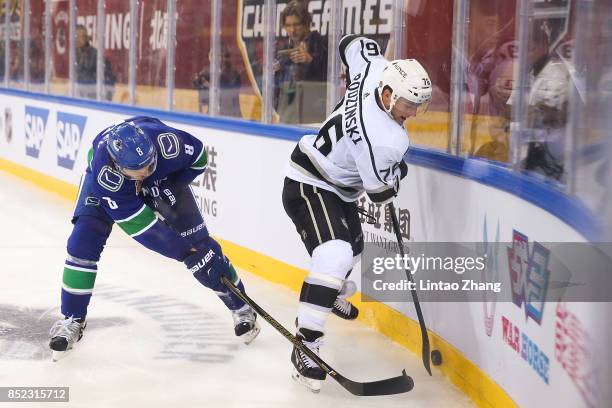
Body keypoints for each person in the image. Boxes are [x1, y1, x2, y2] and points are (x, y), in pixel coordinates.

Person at [282, 35, 432, 392]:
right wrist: (398, 173)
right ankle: (306, 346)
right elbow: (381, 193)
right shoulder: (384, 140)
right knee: (334, 255)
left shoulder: (374, 68)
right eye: (409, 105)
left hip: (335, 186)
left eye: (418, 105)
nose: (412, 113)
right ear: (388, 94)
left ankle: (326, 292)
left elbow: (351, 41)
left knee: (355, 251)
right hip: (309, 182)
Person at [48, 116, 260, 361]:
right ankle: (72, 318)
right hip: (108, 191)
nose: (144, 171)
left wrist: (171, 186)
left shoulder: (167, 144)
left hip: (163, 180)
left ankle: (242, 306)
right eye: (137, 169)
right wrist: (182, 251)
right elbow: (142, 226)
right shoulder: (107, 177)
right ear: (117, 165)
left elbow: (199, 157)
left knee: (203, 250)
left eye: (149, 164)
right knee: (82, 242)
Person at [274, 0, 328, 124]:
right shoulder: (284, 49)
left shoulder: (319, 44)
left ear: (306, 24)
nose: (292, 30)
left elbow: (329, 78)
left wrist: (311, 61)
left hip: (313, 118)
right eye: (288, 25)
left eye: (296, 24)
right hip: (288, 116)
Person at [193, 45, 242, 117]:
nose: (214, 58)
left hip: (230, 115)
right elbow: (203, 99)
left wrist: (209, 85)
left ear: (224, 57)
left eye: (219, 55)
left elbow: (227, 93)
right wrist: (198, 82)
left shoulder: (233, 74)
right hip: (213, 114)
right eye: (211, 55)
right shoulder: (207, 72)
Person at [75, 24, 115, 101]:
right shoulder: (73, 55)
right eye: (76, 37)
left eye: (80, 36)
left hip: (92, 100)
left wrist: (106, 99)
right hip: (80, 99)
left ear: (86, 38)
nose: (77, 40)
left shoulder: (96, 55)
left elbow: (109, 79)